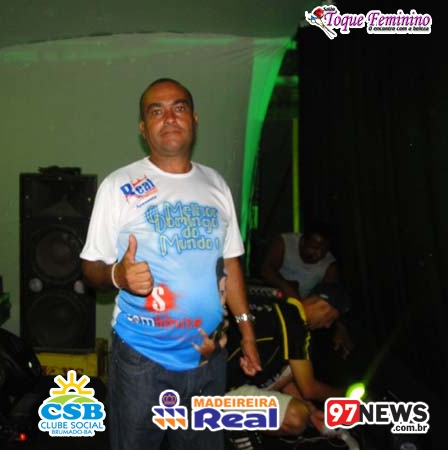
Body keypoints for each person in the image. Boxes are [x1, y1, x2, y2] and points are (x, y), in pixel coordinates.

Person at [80, 78, 261, 450]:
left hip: (208, 358)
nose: (169, 118)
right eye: (156, 111)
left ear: (194, 119)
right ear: (143, 128)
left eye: (179, 108)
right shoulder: (118, 185)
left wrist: (247, 333)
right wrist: (118, 275)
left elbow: (230, 264)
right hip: (142, 361)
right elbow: (90, 268)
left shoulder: (216, 184)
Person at [223, 282, 351, 448]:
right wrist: (346, 395)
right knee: (297, 417)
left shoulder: (278, 304)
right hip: (217, 390)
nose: (327, 326)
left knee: (293, 370)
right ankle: (231, 424)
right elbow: (309, 388)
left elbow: (284, 378)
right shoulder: (296, 321)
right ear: (324, 305)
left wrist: (312, 412)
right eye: (332, 319)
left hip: (207, 374)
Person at [259, 222, 353, 358]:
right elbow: (267, 270)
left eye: (323, 250)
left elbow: (333, 299)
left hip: (303, 314)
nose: (318, 254)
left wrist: (340, 327)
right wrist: (289, 290)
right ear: (303, 241)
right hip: (272, 303)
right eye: (314, 248)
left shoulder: (329, 265)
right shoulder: (285, 242)